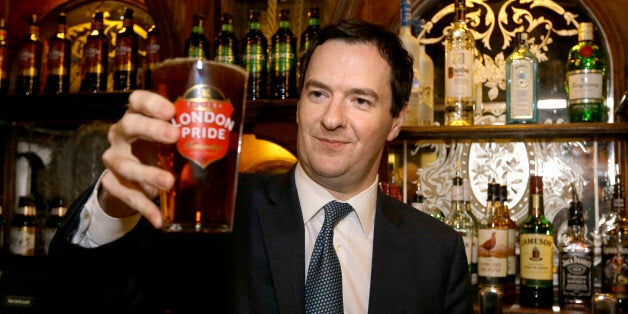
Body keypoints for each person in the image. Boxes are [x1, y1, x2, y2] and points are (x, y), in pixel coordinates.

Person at [49, 19, 472, 313]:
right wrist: (112, 204)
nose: (331, 118)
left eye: (360, 100)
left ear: (396, 119)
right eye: (318, 93)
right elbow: (84, 300)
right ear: (299, 104)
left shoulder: (437, 251)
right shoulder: (219, 215)